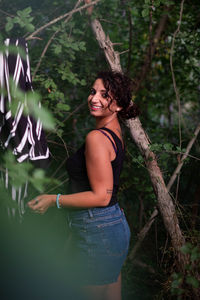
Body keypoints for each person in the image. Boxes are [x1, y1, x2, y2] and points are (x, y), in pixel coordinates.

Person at [28, 71, 139, 300]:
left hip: (99, 230)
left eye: (104, 95)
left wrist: (53, 200)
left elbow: (101, 196)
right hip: (113, 225)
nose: (94, 98)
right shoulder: (115, 131)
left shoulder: (97, 138)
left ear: (118, 105)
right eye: (93, 91)